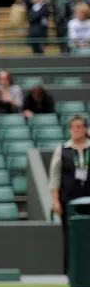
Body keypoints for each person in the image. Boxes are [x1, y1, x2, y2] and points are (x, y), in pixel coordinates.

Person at [50, 115, 90, 274]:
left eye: (79, 126)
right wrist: (55, 201)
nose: (76, 130)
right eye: (73, 127)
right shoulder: (62, 149)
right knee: (70, 235)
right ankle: (71, 271)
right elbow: (55, 176)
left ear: (86, 129)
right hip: (69, 198)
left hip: (88, 197)